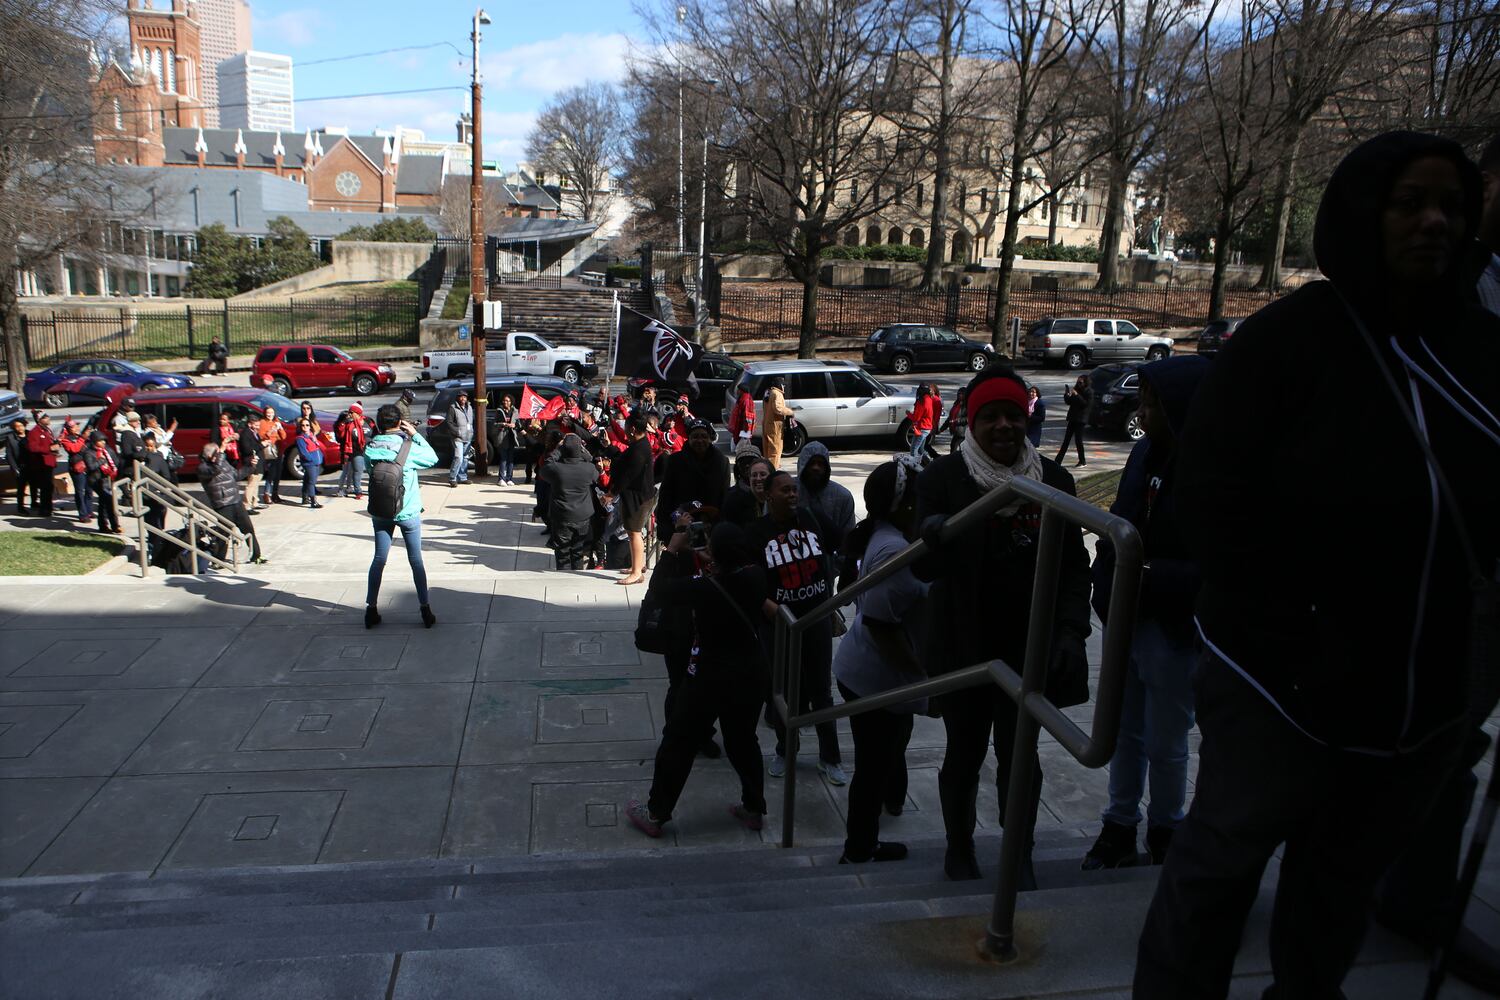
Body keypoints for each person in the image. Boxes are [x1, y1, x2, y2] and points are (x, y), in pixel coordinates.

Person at [1133, 132, 1500, 999]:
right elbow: (1213, 502)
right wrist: (1295, 632)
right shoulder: (1286, 342)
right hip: (1280, 682)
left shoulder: (1485, 349)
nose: (1434, 222)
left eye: (1450, 203)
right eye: (1409, 202)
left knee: (1337, 888)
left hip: (1422, 696)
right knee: (1220, 868)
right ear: (1364, 214)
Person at [914, 364, 1092, 883]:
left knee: (1021, 760)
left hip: (1027, 647)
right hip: (964, 646)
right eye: (989, 416)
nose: (1002, 427)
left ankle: (1020, 853)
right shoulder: (943, 480)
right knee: (964, 754)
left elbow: (1073, 567)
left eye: (1013, 416)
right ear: (971, 422)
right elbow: (922, 569)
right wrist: (929, 536)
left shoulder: (1055, 482)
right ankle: (959, 847)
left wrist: (1071, 631)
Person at [1082, 355, 1210, 872]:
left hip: (1172, 627)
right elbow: (1121, 522)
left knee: (1167, 737)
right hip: (1128, 617)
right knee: (1124, 729)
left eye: (1152, 403)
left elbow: (1217, 565)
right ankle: (1119, 826)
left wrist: (1156, 577)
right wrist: (1106, 584)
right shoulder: (1143, 455)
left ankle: (1166, 827)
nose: (1142, 411)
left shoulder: (1208, 472)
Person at [626, 519, 770, 839]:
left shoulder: (704, 589)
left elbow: (661, 590)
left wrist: (671, 551)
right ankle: (754, 807)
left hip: (709, 677)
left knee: (678, 742)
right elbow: (733, 578)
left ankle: (655, 812)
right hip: (751, 672)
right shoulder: (755, 576)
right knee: (744, 741)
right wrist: (715, 561)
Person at [832, 457, 928, 864]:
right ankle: (859, 847)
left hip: (866, 670)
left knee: (886, 754)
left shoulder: (889, 535)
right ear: (903, 505)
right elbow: (879, 623)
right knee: (873, 765)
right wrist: (922, 681)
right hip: (873, 676)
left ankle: (873, 826)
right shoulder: (893, 548)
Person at [751, 469, 846, 786]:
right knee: (783, 691)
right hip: (779, 626)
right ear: (769, 495)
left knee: (821, 691)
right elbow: (748, 577)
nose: (792, 495)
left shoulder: (811, 517)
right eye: (785, 490)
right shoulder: (758, 531)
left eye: (794, 490)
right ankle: (785, 749)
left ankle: (830, 757)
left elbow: (840, 542)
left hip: (816, 619)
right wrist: (764, 603)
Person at [363, 404, 439, 629]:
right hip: (407, 510)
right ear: (399, 423)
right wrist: (415, 435)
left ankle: (371, 609)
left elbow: (370, 470)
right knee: (416, 560)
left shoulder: (371, 448)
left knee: (379, 559)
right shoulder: (408, 447)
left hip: (381, 511)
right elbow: (432, 458)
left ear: (379, 423)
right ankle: (425, 609)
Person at [539, 434, 601, 570]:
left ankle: (563, 576)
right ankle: (576, 574)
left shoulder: (556, 469)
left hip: (562, 515)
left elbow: (545, 466)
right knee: (578, 550)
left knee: (562, 551)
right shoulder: (588, 469)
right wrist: (584, 453)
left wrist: (558, 450)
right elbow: (595, 468)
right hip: (583, 516)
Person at [609, 413, 656, 586]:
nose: (625, 430)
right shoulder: (640, 444)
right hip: (638, 496)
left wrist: (611, 494)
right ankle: (637, 566)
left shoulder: (640, 449)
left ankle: (637, 572)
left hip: (638, 497)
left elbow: (628, 476)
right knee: (632, 532)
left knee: (634, 532)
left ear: (633, 429)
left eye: (626, 427)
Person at [655, 419, 729, 527]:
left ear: (710, 439)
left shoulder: (722, 462)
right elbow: (665, 496)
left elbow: (724, 495)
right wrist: (665, 527)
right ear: (688, 438)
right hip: (681, 523)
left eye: (704, 436)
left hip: (713, 525)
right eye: (695, 436)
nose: (699, 440)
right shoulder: (675, 461)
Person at [197, 442, 262, 562]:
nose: (221, 455)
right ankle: (219, 560)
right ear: (211, 455)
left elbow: (236, 475)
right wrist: (221, 451)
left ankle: (256, 555)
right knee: (224, 534)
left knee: (248, 529)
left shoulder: (222, 462)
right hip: (223, 504)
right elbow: (215, 470)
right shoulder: (203, 468)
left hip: (236, 501)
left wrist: (250, 466)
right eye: (218, 453)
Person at [796, 442, 855, 559]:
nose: (816, 468)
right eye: (811, 463)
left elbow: (848, 541)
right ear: (802, 465)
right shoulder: (786, 492)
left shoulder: (843, 497)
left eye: (821, 464)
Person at [83, 431, 121, 535]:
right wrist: (101, 461)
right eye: (101, 441)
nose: (103, 442)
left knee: (106, 503)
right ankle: (108, 525)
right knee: (107, 502)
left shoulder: (108, 450)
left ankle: (112, 525)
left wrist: (113, 469)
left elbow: (116, 461)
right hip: (96, 480)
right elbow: (91, 467)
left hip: (108, 479)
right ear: (95, 441)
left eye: (104, 440)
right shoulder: (88, 452)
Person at [722, 455, 772, 527]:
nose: (758, 478)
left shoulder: (779, 500)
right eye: (754, 475)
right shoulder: (733, 501)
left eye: (763, 474)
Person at [58, 418, 91, 523]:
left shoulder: (80, 436)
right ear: (68, 429)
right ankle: (82, 514)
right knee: (80, 491)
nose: (77, 428)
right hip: (77, 467)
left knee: (89, 490)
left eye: (77, 425)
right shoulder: (66, 439)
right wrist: (82, 438)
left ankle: (88, 511)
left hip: (88, 466)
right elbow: (74, 449)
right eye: (73, 426)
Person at [25, 412, 58, 518]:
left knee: (49, 487)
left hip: (49, 462)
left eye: (48, 416)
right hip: (41, 464)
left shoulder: (47, 430)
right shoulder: (35, 432)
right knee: (45, 488)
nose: (48, 419)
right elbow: (32, 447)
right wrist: (49, 449)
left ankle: (49, 507)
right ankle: (44, 509)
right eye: (45, 417)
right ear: (40, 420)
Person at [1055, 375, 1090, 467]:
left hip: (1080, 420)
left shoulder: (1089, 392)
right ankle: (1058, 461)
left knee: (1078, 441)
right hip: (1072, 418)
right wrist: (1066, 394)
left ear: (1085, 383)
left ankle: (1082, 461)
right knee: (1066, 440)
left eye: (1080, 382)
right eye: (1078, 382)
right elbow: (1069, 402)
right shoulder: (1076, 389)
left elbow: (1085, 404)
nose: (1078, 384)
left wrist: (1077, 395)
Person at [335, 403, 368, 500]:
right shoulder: (348, 424)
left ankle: (353, 488)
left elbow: (373, 432)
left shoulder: (366, 421)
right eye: (349, 412)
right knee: (349, 471)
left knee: (357, 471)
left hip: (363, 450)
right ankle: (350, 490)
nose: (349, 414)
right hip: (350, 451)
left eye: (351, 412)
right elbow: (340, 436)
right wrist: (342, 424)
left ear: (357, 413)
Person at [760, 376, 794, 469]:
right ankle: (772, 468)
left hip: (767, 423)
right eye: (783, 385)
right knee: (775, 448)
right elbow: (778, 409)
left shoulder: (768, 392)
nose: (784, 387)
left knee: (767, 448)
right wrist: (790, 412)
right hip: (774, 425)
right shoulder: (777, 394)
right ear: (780, 385)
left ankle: (768, 466)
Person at [258, 405, 287, 504]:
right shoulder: (262, 422)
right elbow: (262, 436)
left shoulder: (276, 421)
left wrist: (280, 428)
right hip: (270, 450)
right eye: (268, 413)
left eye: (272, 412)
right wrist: (271, 430)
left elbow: (283, 436)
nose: (270, 414)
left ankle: (275, 493)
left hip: (278, 450)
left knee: (278, 474)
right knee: (271, 473)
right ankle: (267, 494)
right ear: (265, 413)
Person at [237, 414, 264, 513]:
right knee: (251, 483)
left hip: (257, 461)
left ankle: (254, 502)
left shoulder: (254, 433)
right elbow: (247, 449)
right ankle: (246, 505)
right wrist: (261, 445)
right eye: (256, 425)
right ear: (249, 424)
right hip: (251, 461)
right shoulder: (245, 434)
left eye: (258, 425)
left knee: (256, 482)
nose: (258, 427)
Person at [447, 391, 474, 487]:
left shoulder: (469, 407)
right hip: (457, 437)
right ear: (458, 398)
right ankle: (452, 478)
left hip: (468, 436)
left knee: (466, 458)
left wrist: (471, 432)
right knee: (458, 457)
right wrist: (457, 432)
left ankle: (463, 477)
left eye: (465, 397)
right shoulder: (453, 408)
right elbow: (449, 423)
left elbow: (471, 422)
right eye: (461, 397)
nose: (463, 399)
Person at [294, 418, 323, 507]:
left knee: (307, 480)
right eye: (303, 425)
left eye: (307, 425)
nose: (305, 427)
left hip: (316, 461)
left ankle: (305, 496)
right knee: (312, 481)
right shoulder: (300, 438)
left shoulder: (311, 436)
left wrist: (320, 457)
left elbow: (317, 446)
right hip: (310, 463)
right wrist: (311, 459)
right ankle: (313, 500)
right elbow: (303, 452)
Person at [3, 416, 28, 514]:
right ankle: (20, 507)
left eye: (21, 426)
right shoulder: (10, 438)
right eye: (17, 427)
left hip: (31, 465)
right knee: (21, 488)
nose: (20, 428)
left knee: (34, 485)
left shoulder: (29, 434)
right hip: (19, 466)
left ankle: (34, 503)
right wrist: (15, 468)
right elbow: (9, 455)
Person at [494, 394, 520, 486]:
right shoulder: (499, 411)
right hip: (502, 437)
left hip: (511, 436)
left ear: (511, 402)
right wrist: (503, 424)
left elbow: (518, 424)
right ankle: (501, 479)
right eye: (504, 400)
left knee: (511, 459)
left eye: (508, 401)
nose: (506, 402)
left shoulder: (515, 411)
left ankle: (509, 478)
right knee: (503, 459)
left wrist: (514, 425)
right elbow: (495, 423)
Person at [906, 384, 936, 459]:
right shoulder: (929, 399)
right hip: (926, 427)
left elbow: (916, 417)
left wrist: (909, 414)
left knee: (913, 450)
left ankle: (915, 466)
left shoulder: (921, 401)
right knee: (920, 450)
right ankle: (928, 462)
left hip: (922, 428)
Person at [938, 385, 968, 455]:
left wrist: (956, 421)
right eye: (959, 394)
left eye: (962, 394)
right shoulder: (956, 404)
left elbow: (968, 419)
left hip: (962, 433)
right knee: (954, 448)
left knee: (955, 448)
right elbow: (950, 418)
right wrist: (941, 429)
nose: (959, 395)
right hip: (956, 431)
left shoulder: (967, 405)